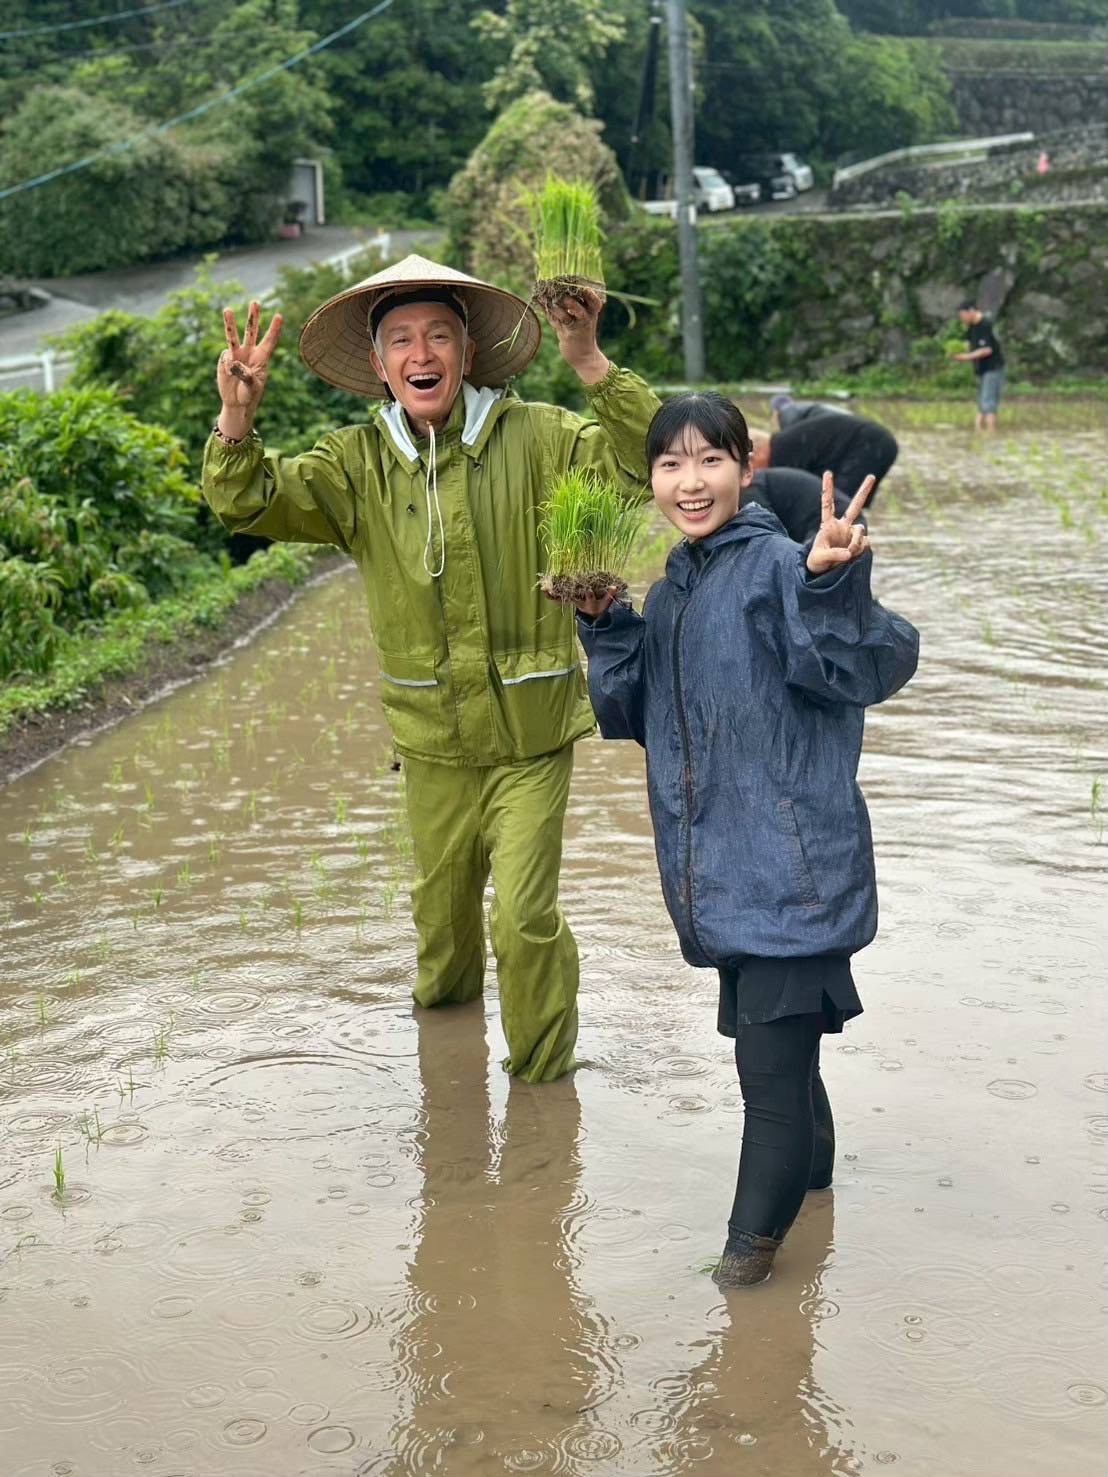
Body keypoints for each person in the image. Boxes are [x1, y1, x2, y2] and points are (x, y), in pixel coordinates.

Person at [200, 253, 660, 1084]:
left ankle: (542, 1099)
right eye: (402, 340)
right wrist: (237, 418)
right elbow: (247, 500)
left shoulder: (540, 438)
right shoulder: (355, 464)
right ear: (380, 366)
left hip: (530, 737)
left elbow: (648, 463)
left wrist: (589, 358)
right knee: (443, 927)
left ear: (468, 352)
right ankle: (446, 1077)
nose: (422, 353)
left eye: (440, 335)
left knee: (524, 917)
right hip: (432, 742)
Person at [572, 391, 919, 1287]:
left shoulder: (779, 567)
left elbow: (869, 662)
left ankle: (743, 1273)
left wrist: (832, 580)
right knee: (787, 1070)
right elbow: (638, 713)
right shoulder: (674, 589)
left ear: (746, 468)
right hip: (725, 875)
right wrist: (607, 623)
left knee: (767, 1087)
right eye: (670, 464)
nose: (690, 481)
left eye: (710, 459)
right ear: (653, 480)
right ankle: (819, 1202)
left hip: (790, 875)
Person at [750, 406, 899, 503]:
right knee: (839, 504)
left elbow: (794, 492)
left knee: (839, 506)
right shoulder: (787, 442)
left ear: (756, 455)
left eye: (750, 466)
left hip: (871, 444)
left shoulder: (781, 452)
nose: (753, 473)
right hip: (876, 442)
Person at [952, 296, 1006, 432]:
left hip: (993, 368)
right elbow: (968, 344)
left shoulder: (985, 325)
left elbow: (987, 350)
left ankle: (990, 431)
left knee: (988, 401)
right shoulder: (972, 327)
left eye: (963, 315)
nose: (962, 319)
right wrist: (955, 350)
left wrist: (965, 357)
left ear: (971, 311)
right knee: (981, 401)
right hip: (981, 369)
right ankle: (979, 431)